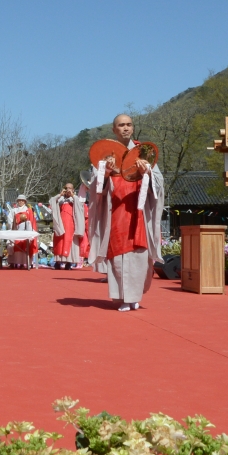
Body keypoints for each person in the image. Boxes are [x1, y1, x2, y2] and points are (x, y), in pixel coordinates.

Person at [86, 114, 164, 312]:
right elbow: (95, 187)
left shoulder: (143, 152)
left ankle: (133, 296)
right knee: (118, 255)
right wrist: (105, 173)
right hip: (116, 212)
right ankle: (123, 297)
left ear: (133, 127)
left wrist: (147, 172)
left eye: (129, 124)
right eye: (121, 125)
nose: (126, 128)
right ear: (114, 129)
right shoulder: (105, 156)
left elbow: (159, 183)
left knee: (138, 254)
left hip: (138, 212)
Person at [49, 183, 85, 270]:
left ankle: (68, 263)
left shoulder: (76, 199)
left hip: (70, 223)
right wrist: (60, 194)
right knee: (59, 241)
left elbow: (80, 208)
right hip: (61, 223)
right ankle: (57, 262)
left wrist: (72, 196)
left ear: (73, 190)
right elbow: (52, 201)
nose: (67, 190)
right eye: (66, 188)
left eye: (70, 188)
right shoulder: (61, 199)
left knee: (69, 241)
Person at [7, 194, 38, 269]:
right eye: (19, 200)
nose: (20, 202)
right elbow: (10, 220)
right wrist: (14, 227)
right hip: (15, 230)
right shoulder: (13, 210)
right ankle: (13, 262)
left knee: (25, 244)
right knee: (12, 243)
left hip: (25, 231)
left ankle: (23, 263)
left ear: (25, 202)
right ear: (17, 201)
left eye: (22, 200)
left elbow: (31, 222)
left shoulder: (29, 211)